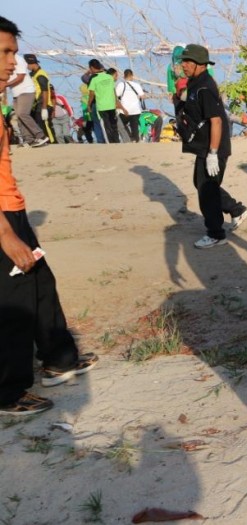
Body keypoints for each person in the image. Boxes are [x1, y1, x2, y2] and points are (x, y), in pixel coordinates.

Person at [1, 15, 98, 416]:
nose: (13, 62)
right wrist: (5, 234)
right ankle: (8, 391)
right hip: (3, 218)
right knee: (14, 302)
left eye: (13, 52)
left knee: (40, 282)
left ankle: (59, 358)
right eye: (4, 52)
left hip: (13, 208)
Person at [177, 44, 247, 249]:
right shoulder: (195, 82)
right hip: (204, 145)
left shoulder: (205, 87)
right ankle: (236, 210)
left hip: (213, 147)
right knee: (201, 183)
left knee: (207, 189)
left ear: (201, 64)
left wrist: (213, 153)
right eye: (183, 61)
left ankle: (216, 233)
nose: (184, 65)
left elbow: (216, 121)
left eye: (188, 62)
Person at [8, 52, 46, 146]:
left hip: (26, 90)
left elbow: (21, 77)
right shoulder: (4, 61)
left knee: (23, 113)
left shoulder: (18, 59)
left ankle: (40, 135)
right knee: (19, 116)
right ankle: (28, 139)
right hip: (16, 92)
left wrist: (6, 84)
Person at [87, 59, 121, 143]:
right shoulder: (109, 77)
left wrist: (88, 105)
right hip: (111, 104)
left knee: (106, 125)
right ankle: (116, 141)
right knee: (113, 124)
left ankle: (110, 142)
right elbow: (113, 91)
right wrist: (116, 102)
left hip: (102, 106)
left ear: (92, 67)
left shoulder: (94, 79)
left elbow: (91, 94)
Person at [25, 54, 54, 144]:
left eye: (27, 64)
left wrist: (44, 108)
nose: (26, 66)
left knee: (45, 125)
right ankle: (43, 141)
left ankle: (52, 143)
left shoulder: (40, 75)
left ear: (31, 63)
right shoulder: (33, 74)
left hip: (44, 104)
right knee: (39, 124)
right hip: (37, 104)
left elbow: (45, 91)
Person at [117, 69, 145, 143]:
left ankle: (127, 139)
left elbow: (116, 95)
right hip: (135, 110)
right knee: (134, 127)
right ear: (132, 76)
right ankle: (135, 140)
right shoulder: (137, 85)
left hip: (124, 110)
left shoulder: (121, 84)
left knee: (121, 125)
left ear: (124, 76)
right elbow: (142, 96)